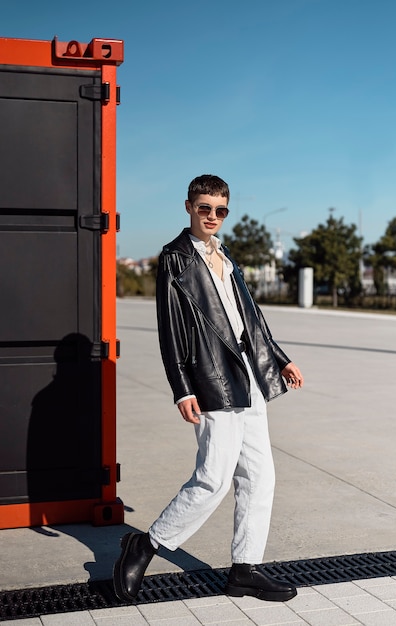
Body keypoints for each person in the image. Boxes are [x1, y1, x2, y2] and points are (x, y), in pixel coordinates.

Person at [113, 174, 304, 603]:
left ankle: (244, 569)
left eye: (220, 210)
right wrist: (181, 388)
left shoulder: (226, 256)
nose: (212, 217)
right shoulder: (175, 258)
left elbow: (249, 318)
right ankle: (146, 545)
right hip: (212, 378)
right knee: (214, 478)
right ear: (188, 207)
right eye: (204, 208)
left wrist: (279, 357)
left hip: (249, 376)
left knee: (260, 476)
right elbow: (171, 330)